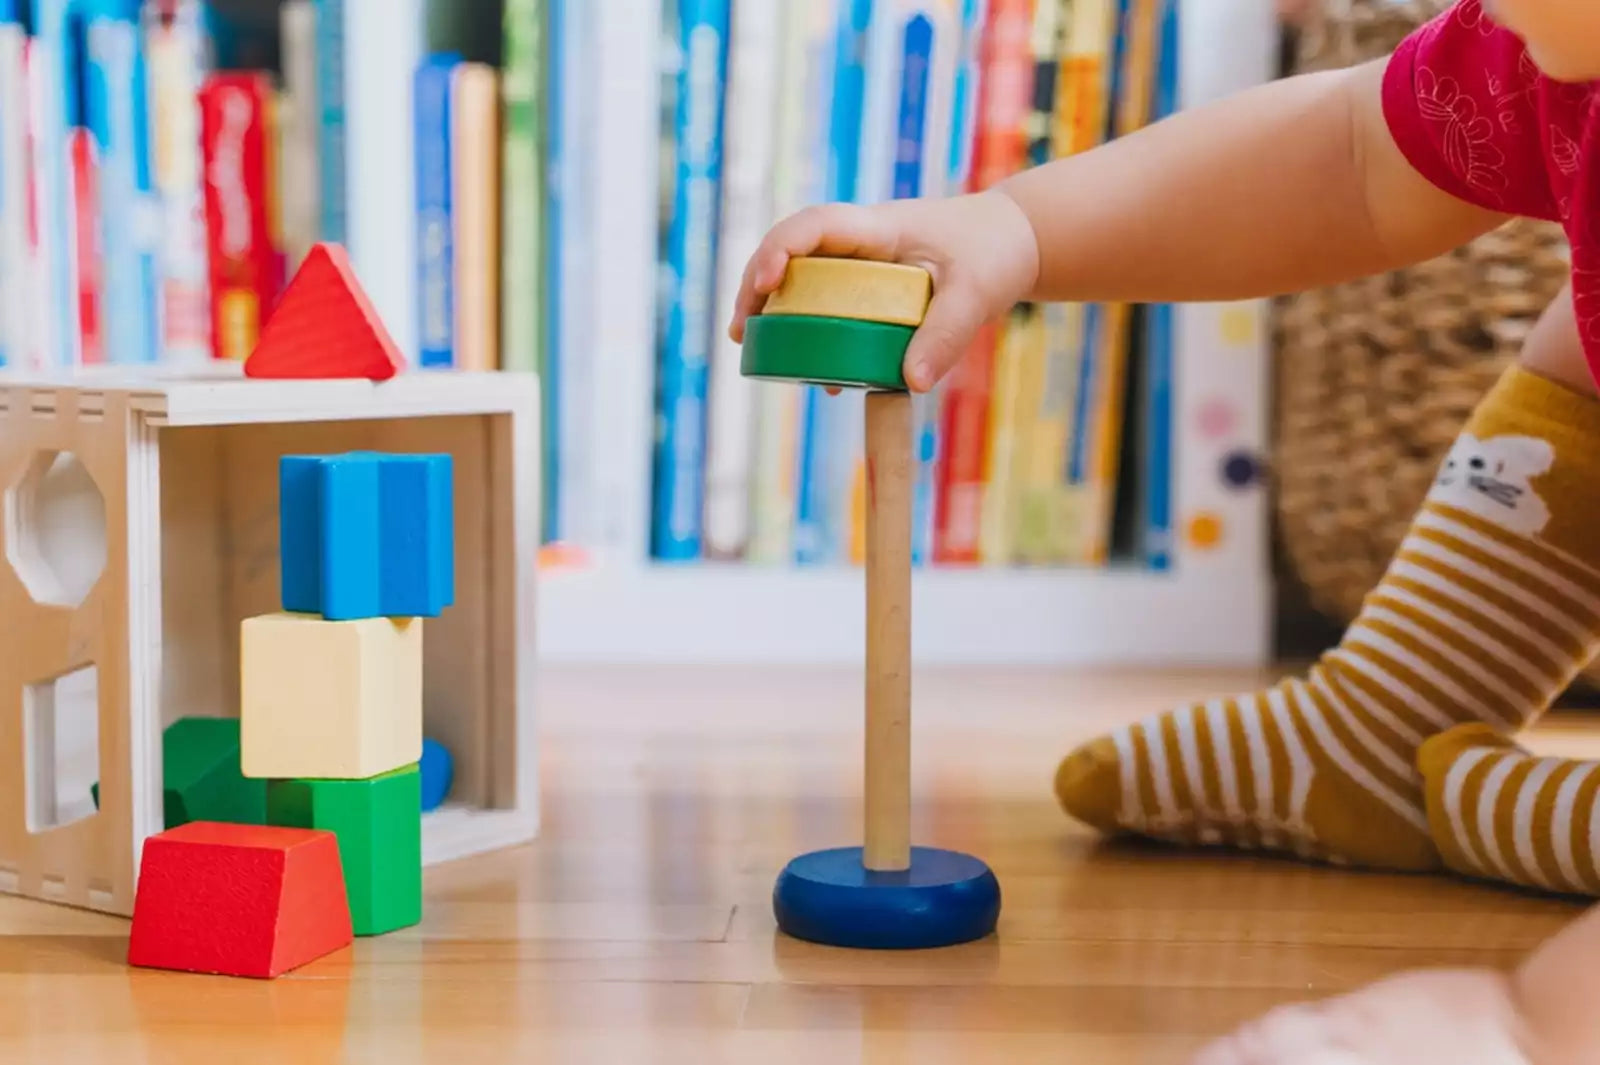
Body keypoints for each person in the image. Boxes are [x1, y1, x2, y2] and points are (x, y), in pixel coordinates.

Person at [729, 1, 1600, 1060]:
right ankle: (1389, 724)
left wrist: (1532, 1023)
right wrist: (1017, 227)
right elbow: (1352, 154)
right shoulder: (1545, 54)